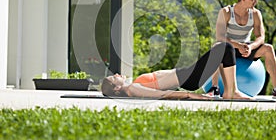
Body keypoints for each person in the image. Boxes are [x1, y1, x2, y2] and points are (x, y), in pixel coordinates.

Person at [205, 0, 276, 99]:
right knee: (218, 46)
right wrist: (238, 45)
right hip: (229, 48)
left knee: (268, 48)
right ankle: (214, 88)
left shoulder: (255, 14)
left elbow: (261, 37)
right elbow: (220, 37)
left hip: (246, 48)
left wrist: (251, 47)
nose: (256, 1)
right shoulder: (226, 12)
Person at [101, 42, 251, 100]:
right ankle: (231, 92)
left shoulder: (132, 85)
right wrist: (191, 95)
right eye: (114, 78)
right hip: (189, 78)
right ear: (117, 88)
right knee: (225, 47)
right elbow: (163, 95)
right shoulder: (132, 88)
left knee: (223, 49)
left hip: (187, 74)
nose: (116, 74)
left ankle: (231, 91)